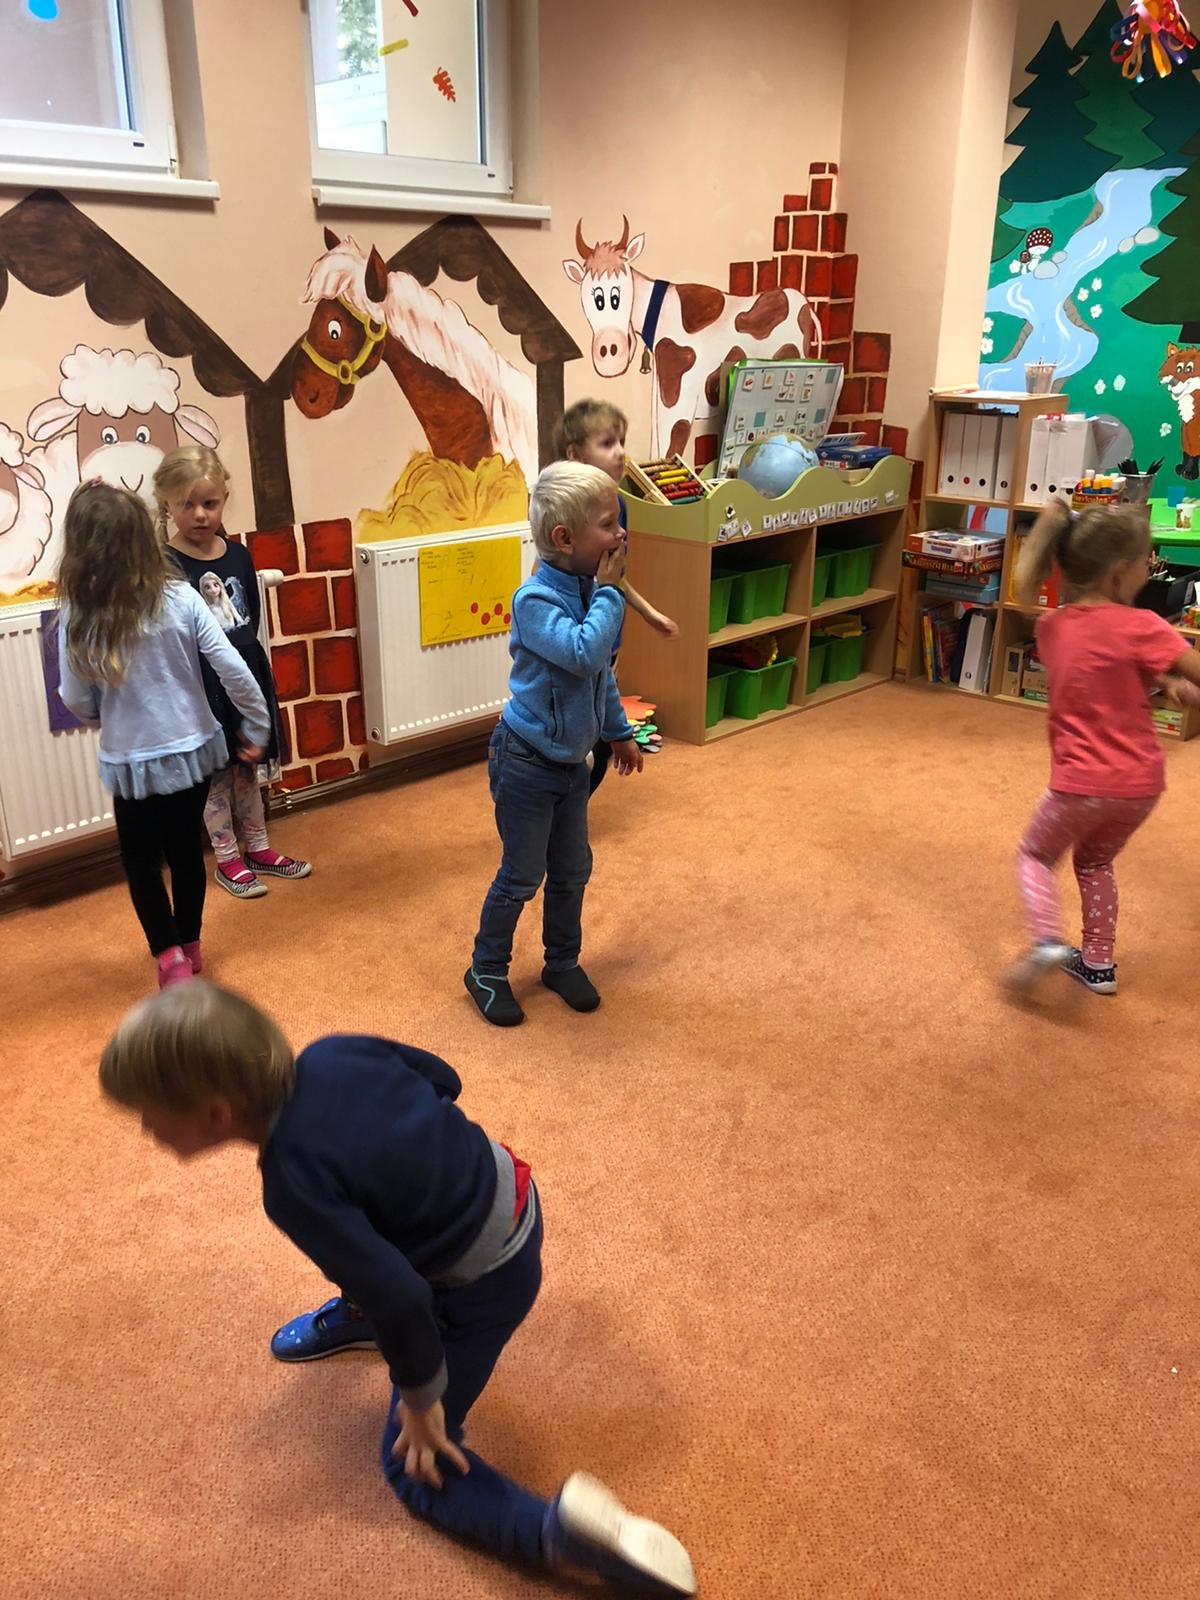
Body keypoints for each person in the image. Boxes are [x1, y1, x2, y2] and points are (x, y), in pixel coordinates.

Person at [98, 982, 697, 1597]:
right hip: (511, 1189)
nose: (145, 1129)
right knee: (362, 1236)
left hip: (488, 1281)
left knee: (413, 1465)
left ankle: (555, 1535)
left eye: (148, 1115)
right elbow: (444, 1078)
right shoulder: (334, 1051)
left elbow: (403, 1297)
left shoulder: (290, 1184)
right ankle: (363, 1310)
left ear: (216, 1114)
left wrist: (420, 1397)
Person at [56, 482, 270, 989]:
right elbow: (233, 668)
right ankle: (190, 943)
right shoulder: (181, 597)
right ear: (144, 537)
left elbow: (76, 698)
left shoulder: (78, 615)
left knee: (141, 861)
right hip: (194, 750)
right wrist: (257, 723)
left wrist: (103, 719)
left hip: (132, 761)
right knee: (185, 850)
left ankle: (169, 955)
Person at [465, 462, 644, 1027]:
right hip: (525, 762)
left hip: (571, 764)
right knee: (522, 874)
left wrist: (618, 732)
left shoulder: (590, 591)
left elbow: (601, 674)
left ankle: (561, 962)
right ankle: (486, 970)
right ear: (565, 538)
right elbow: (584, 653)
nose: (620, 533)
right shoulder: (535, 600)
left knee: (572, 869)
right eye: (607, 524)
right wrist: (610, 594)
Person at [1004, 500, 1200, 997]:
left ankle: (1047, 939)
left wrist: (1158, 678)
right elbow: (1125, 665)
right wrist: (1169, 680)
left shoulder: (1050, 629)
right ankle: (1097, 964)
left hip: (1080, 786)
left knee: (1034, 855)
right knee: (1094, 862)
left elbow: (1092, 668)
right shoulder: (1144, 626)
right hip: (1140, 787)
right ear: (1118, 574)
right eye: (1145, 563)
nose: (1149, 572)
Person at [155, 444, 311, 900]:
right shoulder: (165, 565)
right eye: (187, 504)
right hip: (200, 687)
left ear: (224, 498)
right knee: (215, 777)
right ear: (167, 505)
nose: (200, 514)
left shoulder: (239, 554)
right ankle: (227, 859)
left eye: (210, 503)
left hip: (242, 677)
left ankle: (258, 848)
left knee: (247, 767)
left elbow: (250, 619)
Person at [558, 400, 678, 795]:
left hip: (607, 641)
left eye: (622, 442)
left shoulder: (619, 504)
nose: (621, 452)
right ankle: (562, 813)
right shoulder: (561, 509)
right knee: (577, 741)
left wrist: (648, 613)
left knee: (602, 735)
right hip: (578, 643)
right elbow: (552, 577)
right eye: (607, 443)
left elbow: (612, 578)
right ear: (575, 454)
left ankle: (571, 812)